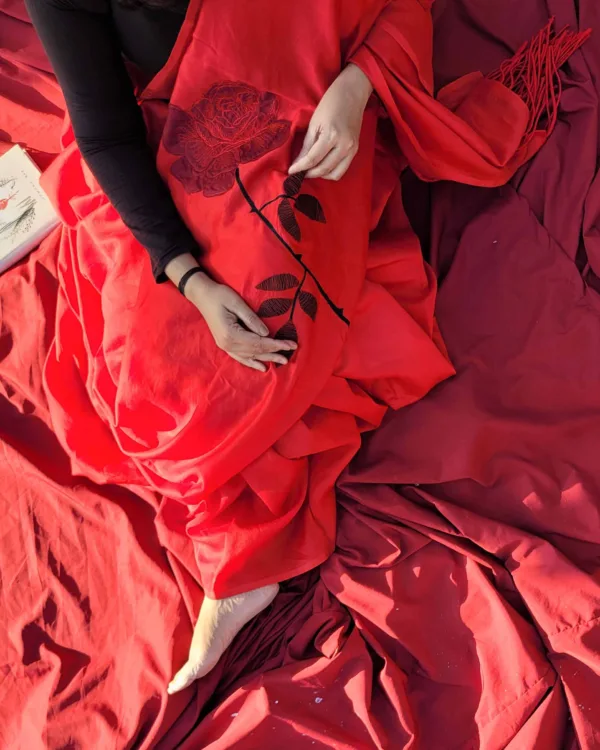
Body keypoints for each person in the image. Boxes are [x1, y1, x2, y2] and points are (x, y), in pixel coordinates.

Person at [25, 0, 587, 696]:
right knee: (152, 362)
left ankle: (244, 555)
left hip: (315, 102)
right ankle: (242, 547)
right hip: (182, 134)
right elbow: (107, 135)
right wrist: (189, 276)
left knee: (268, 319)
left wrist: (358, 85)